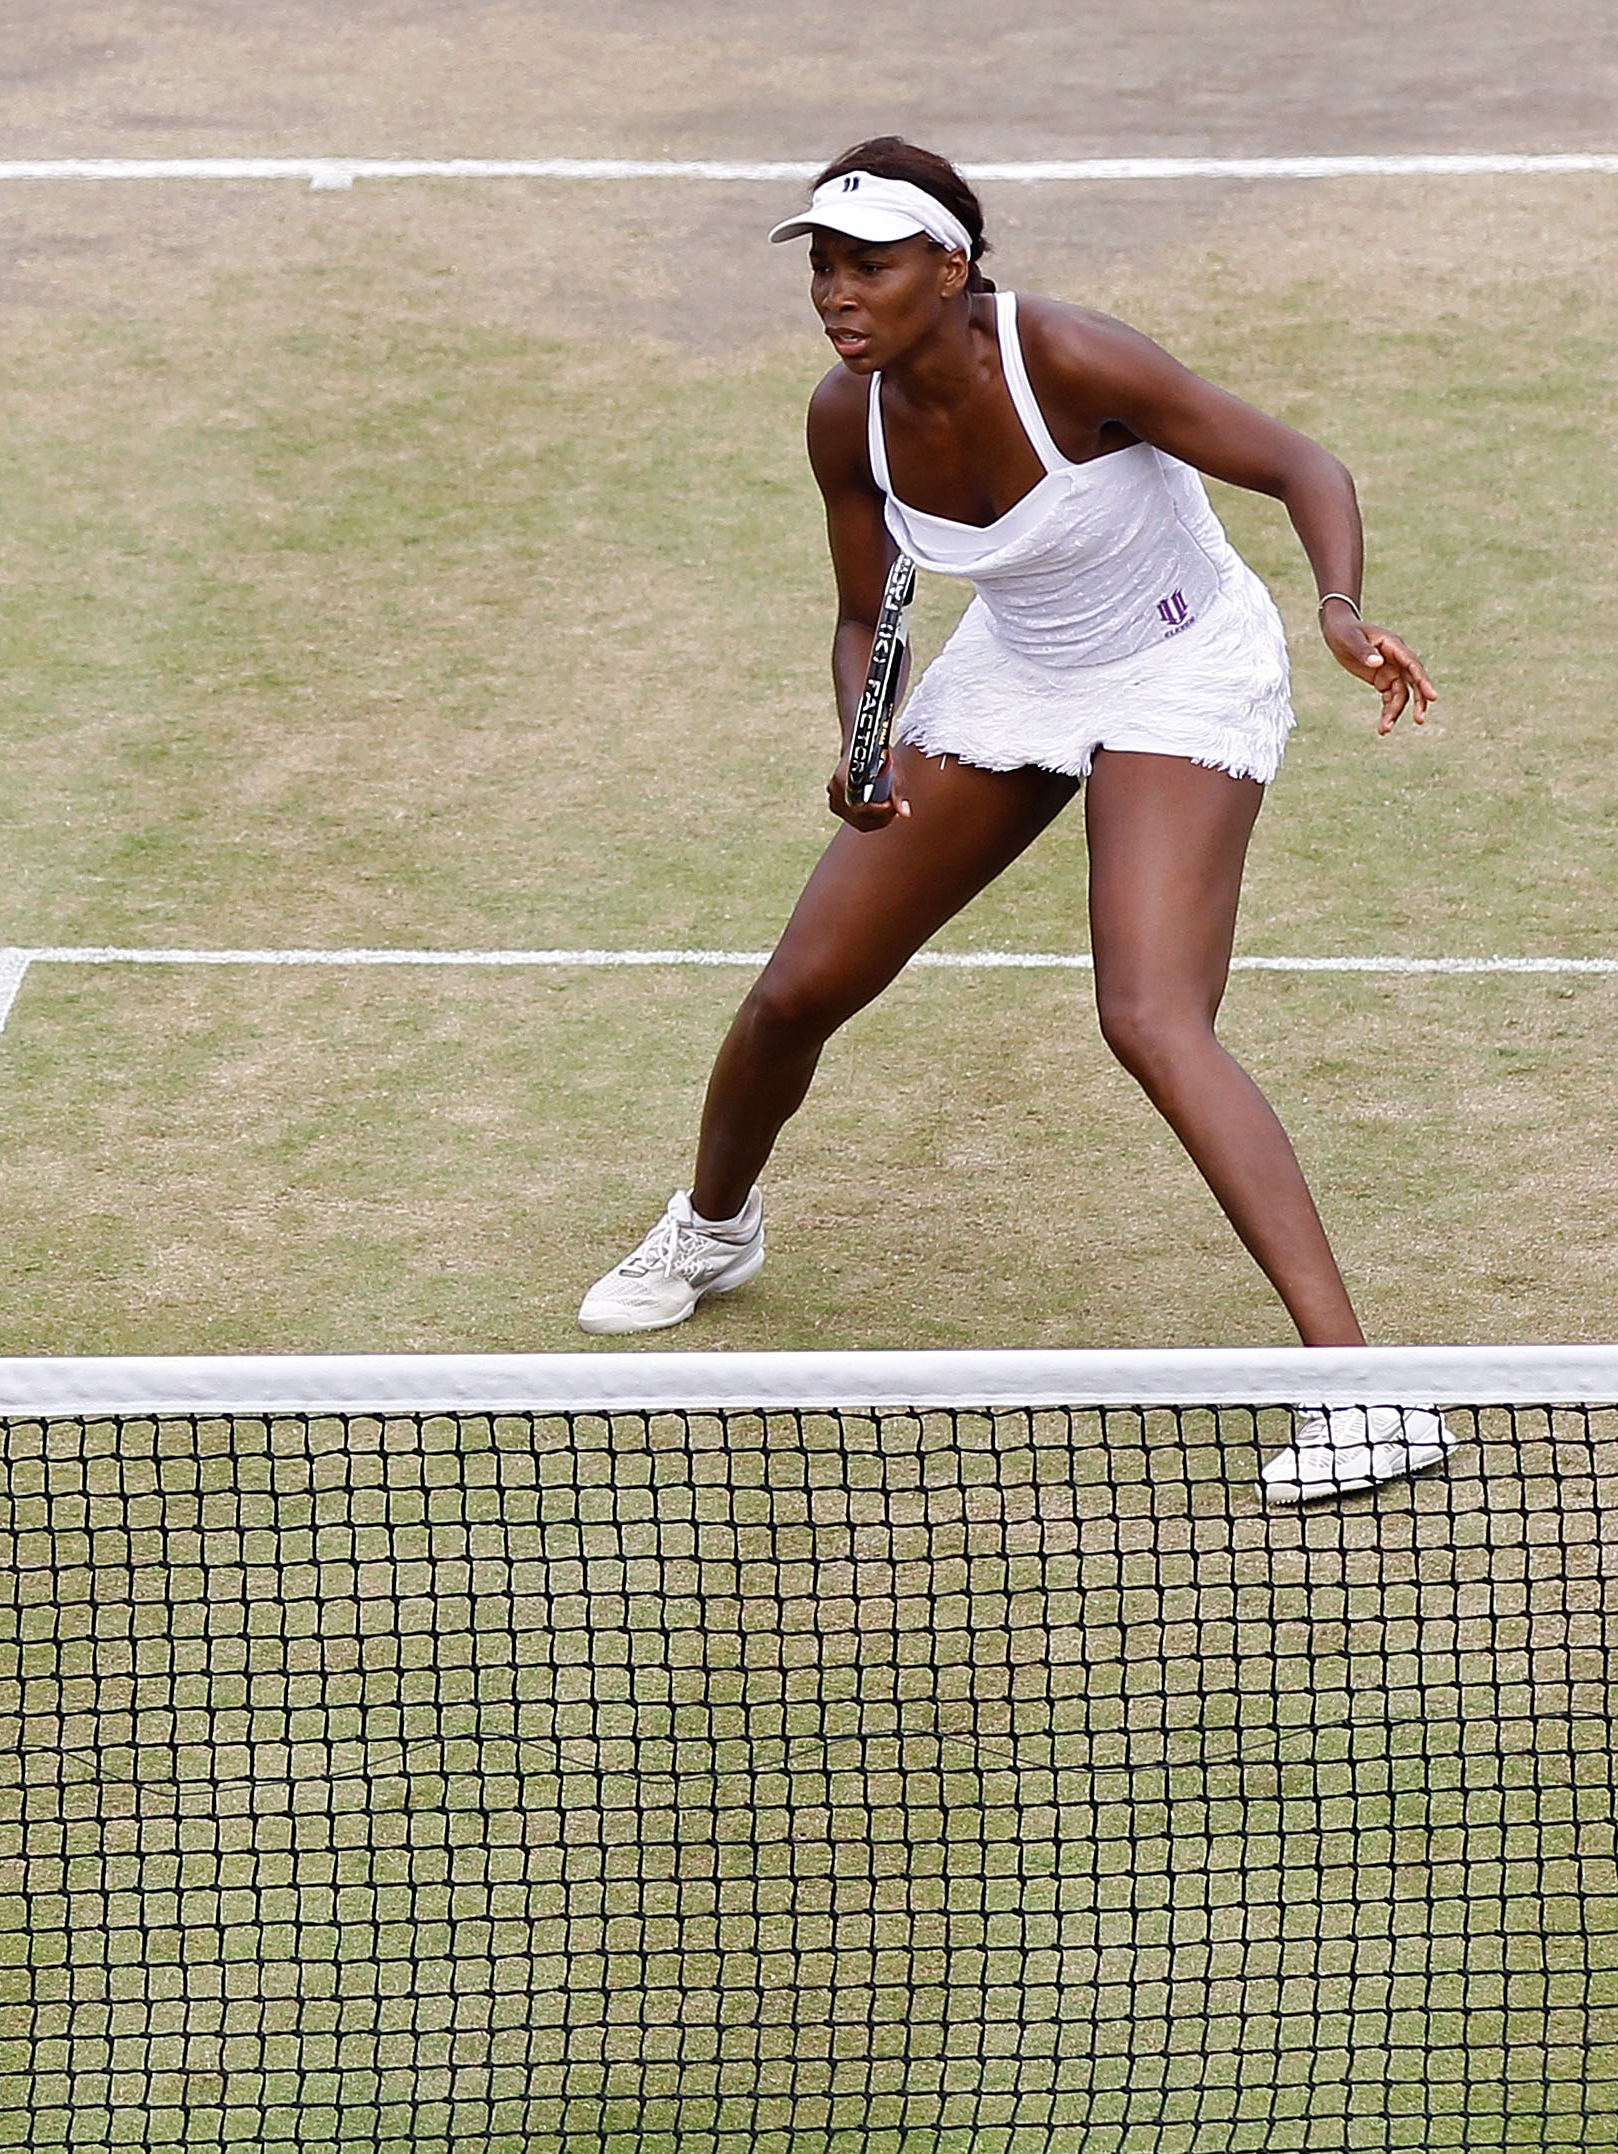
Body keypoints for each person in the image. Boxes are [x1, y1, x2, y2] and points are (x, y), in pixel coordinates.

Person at [575, 138, 1445, 1504]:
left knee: (1149, 1015)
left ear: (949, 269)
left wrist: (1338, 611)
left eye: (868, 265)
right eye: (822, 266)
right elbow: (862, 616)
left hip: (1178, 664)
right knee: (797, 989)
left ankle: (1369, 1395)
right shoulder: (845, 416)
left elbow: (1299, 463)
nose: (835, 292)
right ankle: (715, 1226)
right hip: (1020, 667)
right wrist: (863, 735)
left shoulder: (1072, 357)